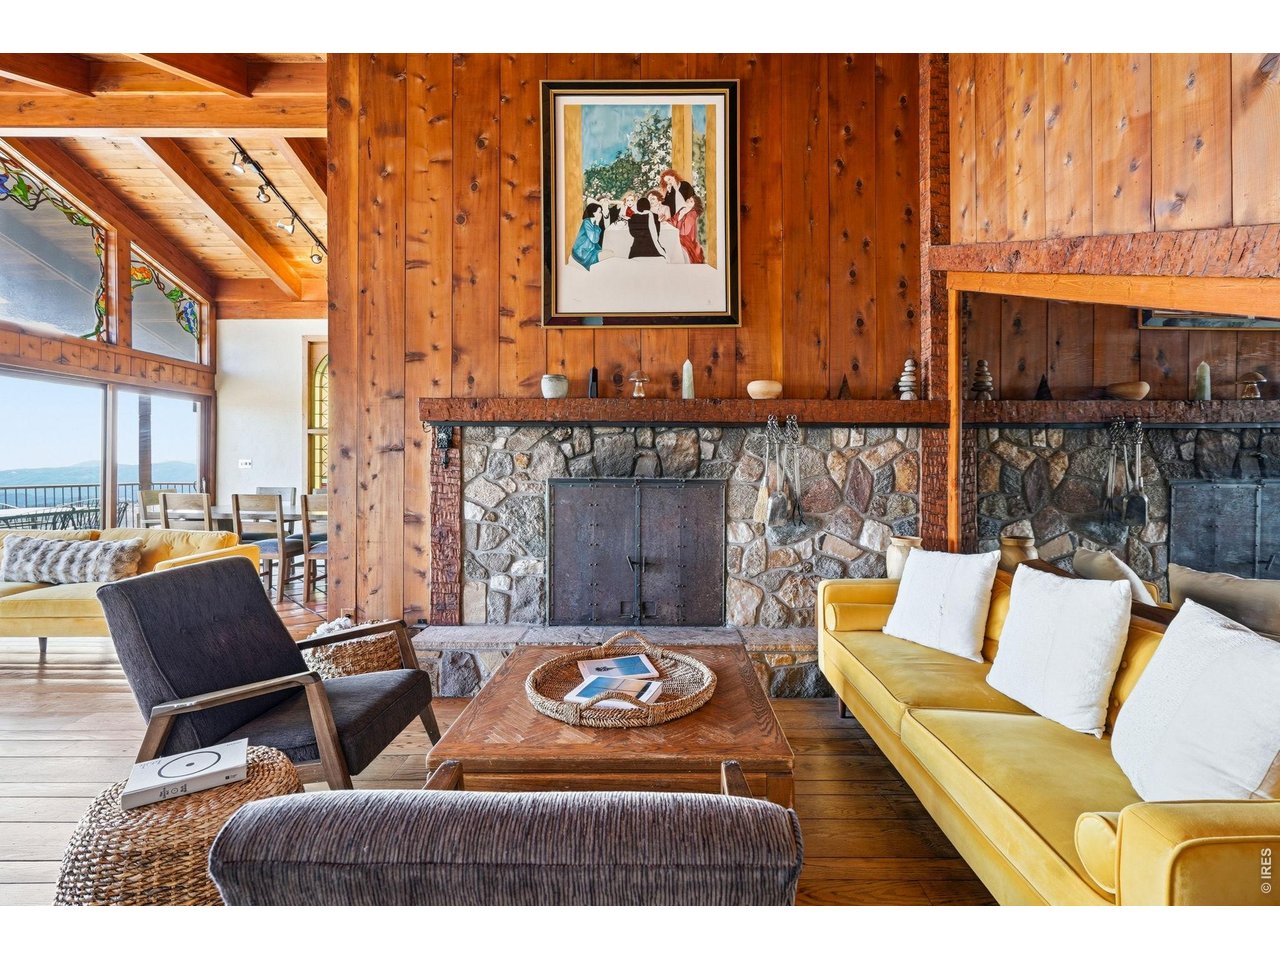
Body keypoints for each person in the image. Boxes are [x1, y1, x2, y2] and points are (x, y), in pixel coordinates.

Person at [571, 203, 613, 271]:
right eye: (599, 212)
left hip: (589, 250)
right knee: (609, 255)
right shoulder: (587, 222)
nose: (601, 214)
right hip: (582, 252)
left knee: (610, 253)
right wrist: (597, 224)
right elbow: (594, 240)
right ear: (593, 213)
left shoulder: (592, 222)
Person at [674, 181, 705, 265]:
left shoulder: (692, 214)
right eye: (689, 199)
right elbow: (673, 220)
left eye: (691, 201)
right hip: (678, 236)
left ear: (694, 206)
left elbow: (685, 231)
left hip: (686, 241)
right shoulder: (682, 210)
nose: (688, 201)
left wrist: (681, 217)